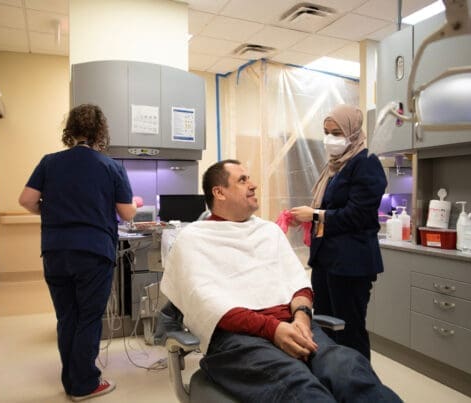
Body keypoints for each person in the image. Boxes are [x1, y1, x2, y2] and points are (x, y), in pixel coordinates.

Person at [161, 159, 400, 402]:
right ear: (219, 192)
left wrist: (302, 317)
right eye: (242, 180)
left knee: (349, 370)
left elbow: (298, 283)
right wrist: (273, 330)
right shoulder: (193, 239)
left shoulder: (268, 231)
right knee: (301, 387)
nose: (253, 185)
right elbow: (208, 305)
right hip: (237, 338)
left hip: (294, 325)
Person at [18, 104, 137, 401]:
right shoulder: (111, 166)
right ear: (101, 132)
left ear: (70, 130)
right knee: (88, 318)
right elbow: (127, 214)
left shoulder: (50, 162)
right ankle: (84, 384)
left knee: (67, 317)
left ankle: (71, 380)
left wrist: (52, 210)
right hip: (93, 253)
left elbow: (26, 200)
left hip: (56, 251)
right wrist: (133, 201)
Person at [290, 104, 387, 361]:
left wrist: (314, 215)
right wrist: (310, 218)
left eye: (337, 132)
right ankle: (333, 379)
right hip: (327, 260)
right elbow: (330, 209)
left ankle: (358, 386)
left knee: (348, 330)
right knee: (324, 327)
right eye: (326, 132)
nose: (330, 139)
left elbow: (358, 214)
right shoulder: (336, 167)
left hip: (351, 264)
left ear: (353, 133)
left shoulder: (366, 164)